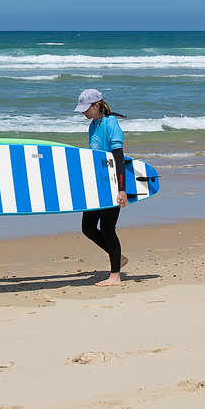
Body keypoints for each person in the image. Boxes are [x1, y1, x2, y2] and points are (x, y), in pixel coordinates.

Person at [75, 88, 129, 285]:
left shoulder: (110, 124)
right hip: (97, 183)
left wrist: (121, 190)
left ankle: (115, 276)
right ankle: (119, 258)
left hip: (112, 183)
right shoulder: (93, 125)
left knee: (107, 229)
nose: (83, 112)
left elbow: (118, 158)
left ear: (97, 106)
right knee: (88, 227)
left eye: (86, 108)